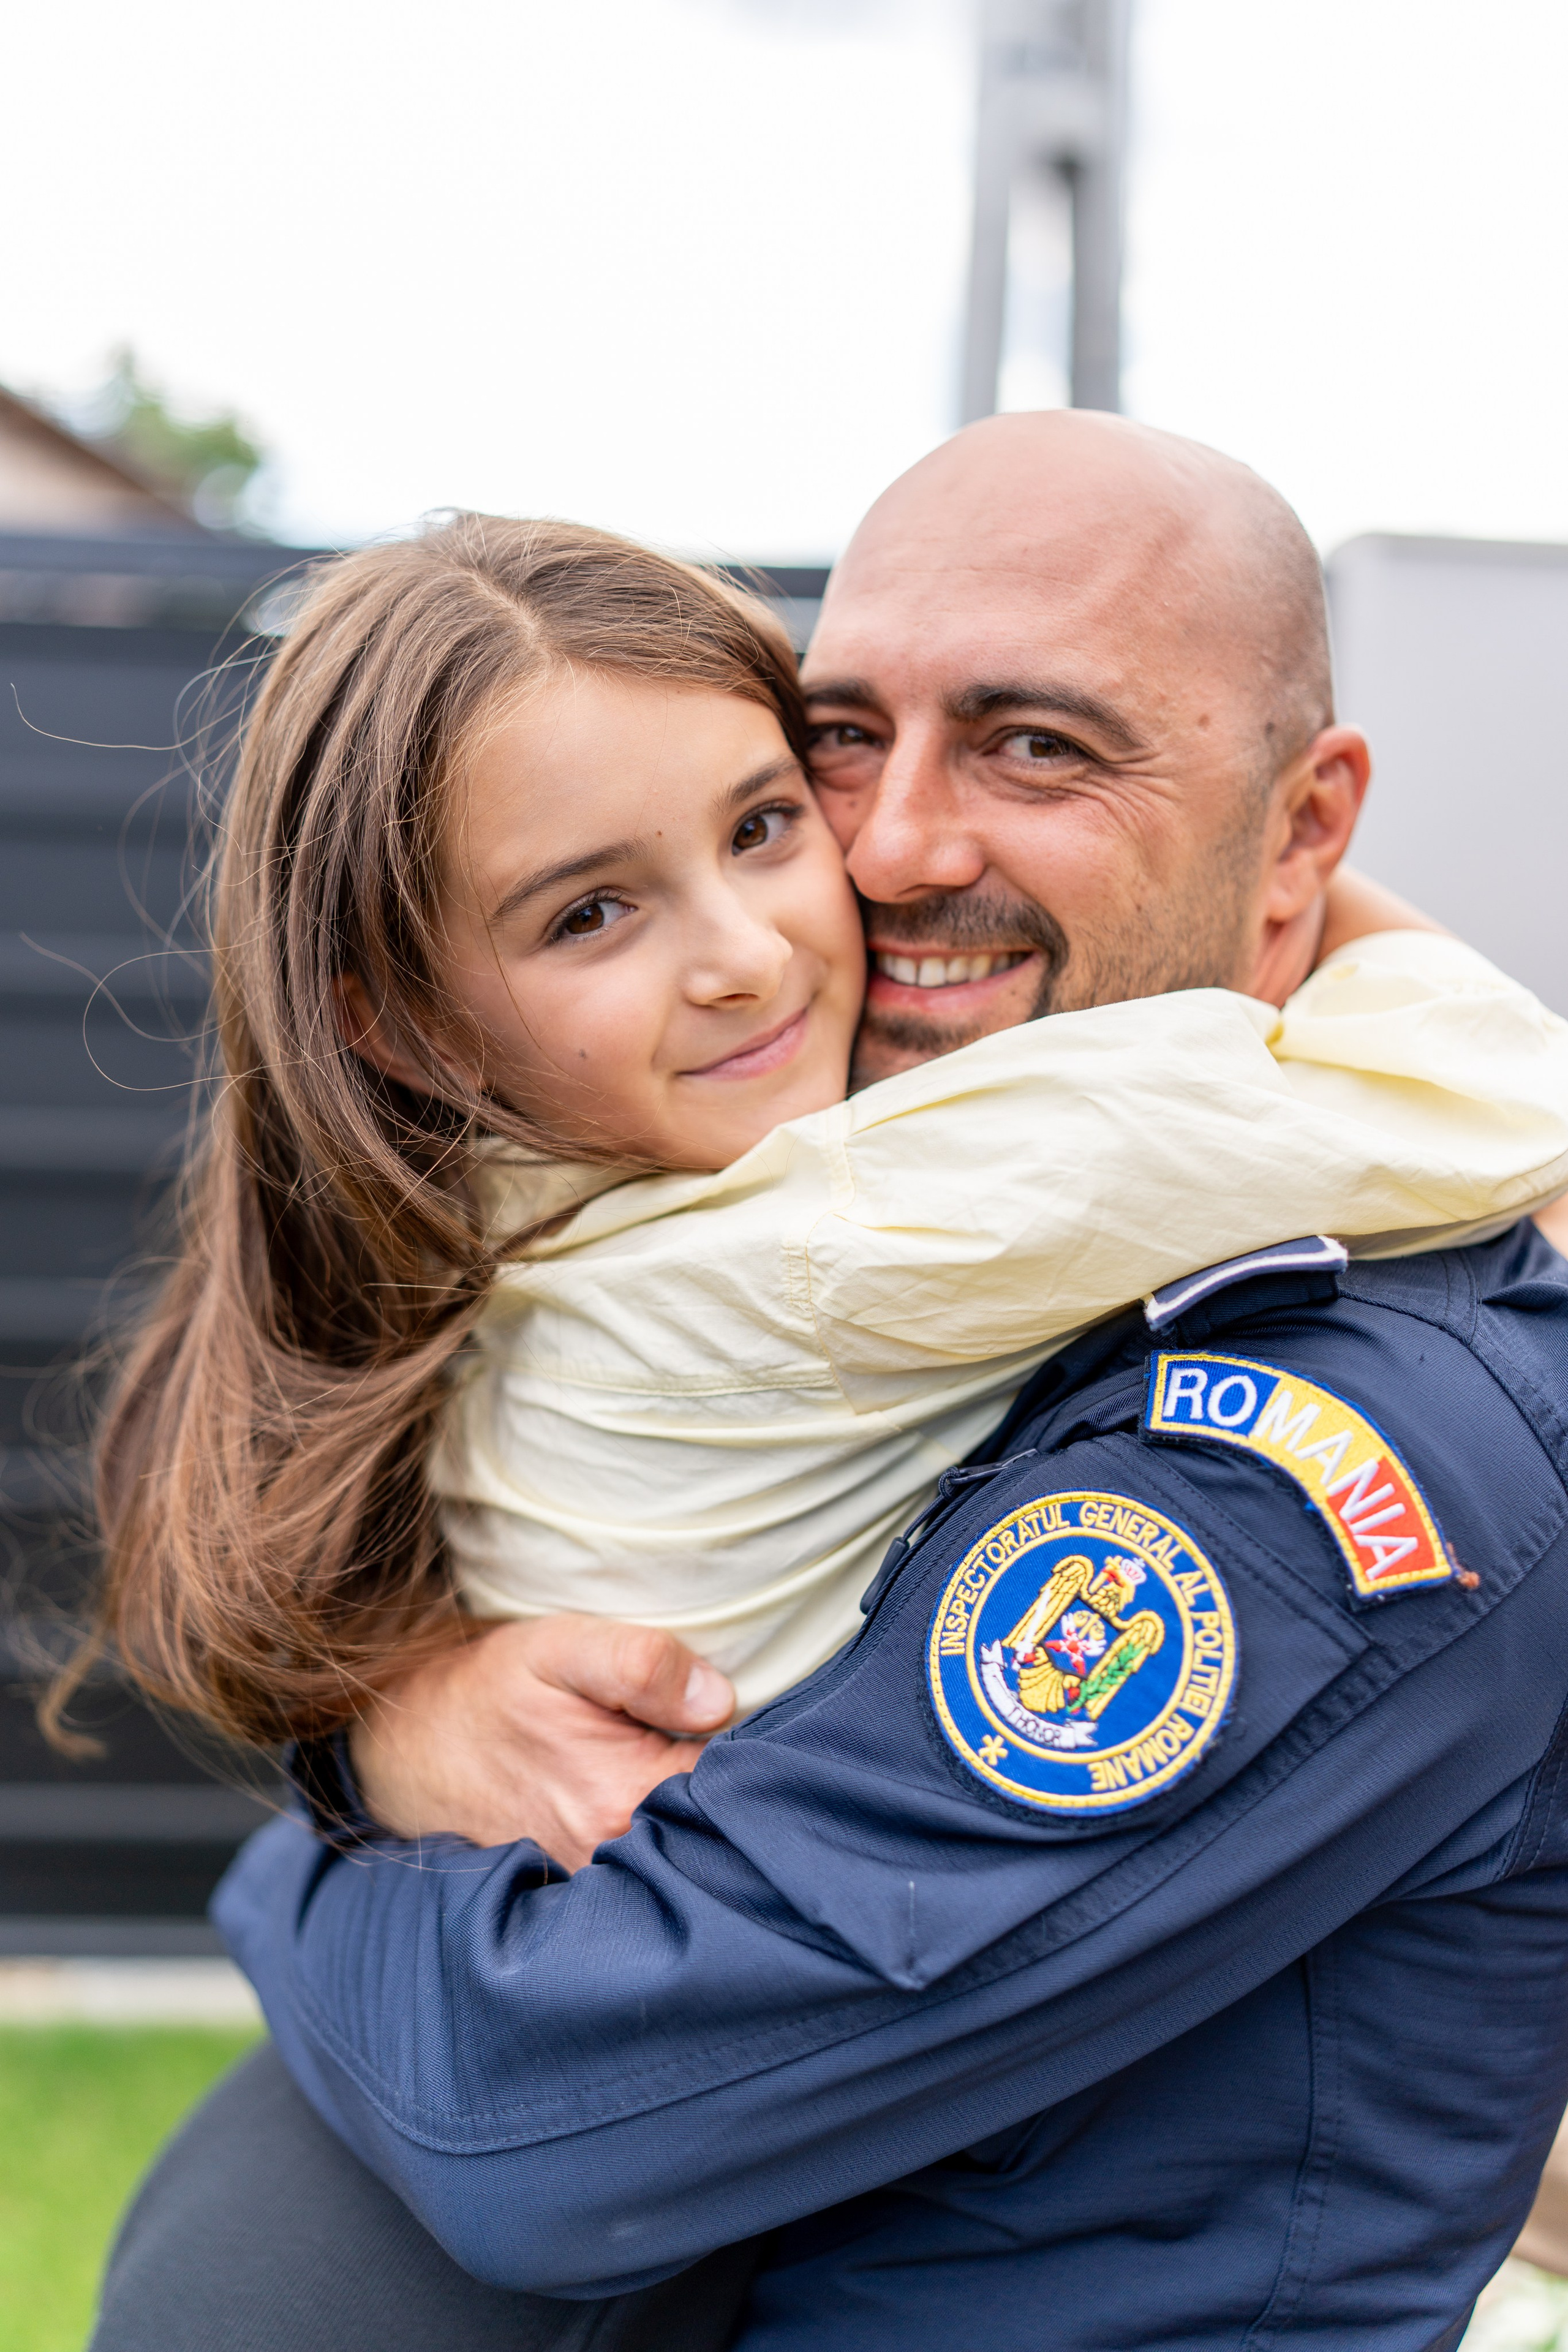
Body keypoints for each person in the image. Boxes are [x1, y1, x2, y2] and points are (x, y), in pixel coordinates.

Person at [92, 415, 1568, 2351]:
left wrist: (320, 1853)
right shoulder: (823, 1212)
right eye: (845, 741)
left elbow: (550, 2114)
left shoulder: (1307, 1442)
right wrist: (382, 1737)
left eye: (1040, 745)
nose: (886, 850)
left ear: (1301, 828)